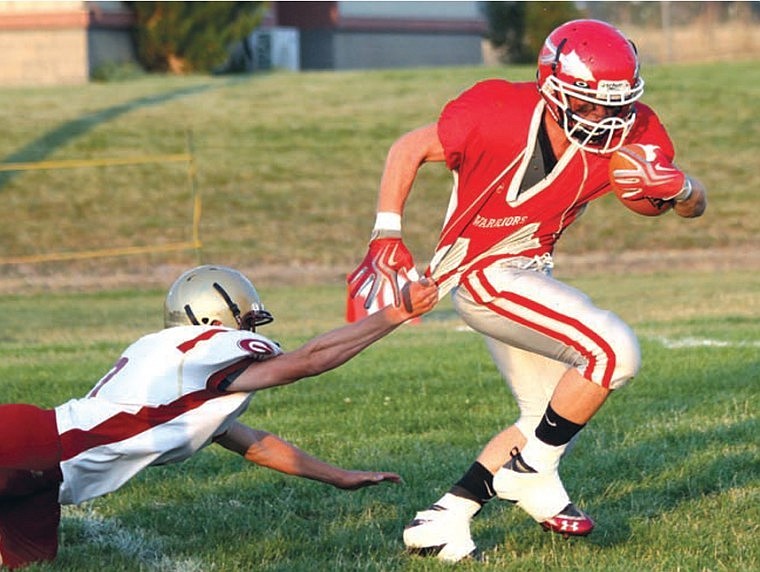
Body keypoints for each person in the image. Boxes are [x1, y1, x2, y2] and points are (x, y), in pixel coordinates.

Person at [347, 19, 707, 562]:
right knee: (614, 352)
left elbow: (690, 203)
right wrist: (387, 232)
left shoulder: (636, 128)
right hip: (482, 275)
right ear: (553, 89)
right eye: (589, 104)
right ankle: (532, 474)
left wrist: (681, 187)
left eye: (619, 105)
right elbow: (408, 148)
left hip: (529, 273)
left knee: (544, 417)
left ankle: (445, 518)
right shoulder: (497, 112)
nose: (607, 119)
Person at [0, 264, 437, 569]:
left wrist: (339, 477)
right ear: (215, 315)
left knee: (34, 564)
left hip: (43, 471)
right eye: (245, 316)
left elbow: (255, 444)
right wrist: (396, 313)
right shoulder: (207, 349)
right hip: (34, 452)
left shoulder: (178, 369)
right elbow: (310, 360)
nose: (251, 325)